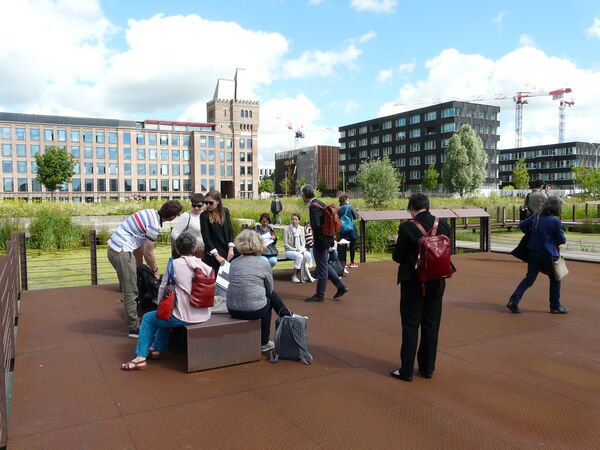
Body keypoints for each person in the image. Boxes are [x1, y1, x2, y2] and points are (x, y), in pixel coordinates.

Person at [120, 232, 213, 371]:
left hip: (184, 316)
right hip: (204, 314)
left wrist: (159, 303)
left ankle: (140, 358)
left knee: (149, 318)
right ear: (194, 248)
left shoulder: (174, 264)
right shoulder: (206, 266)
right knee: (162, 317)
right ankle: (156, 349)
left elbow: (163, 288)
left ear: (177, 248)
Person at [390, 193, 453, 382]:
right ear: (427, 205)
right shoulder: (443, 225)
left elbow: (398, 257)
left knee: (410, 326)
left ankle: (406, 371)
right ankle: (427, 368)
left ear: (412, 208)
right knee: (431, 325)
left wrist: (396, 243)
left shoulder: (407, 227)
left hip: (414, 282)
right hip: (437, 281)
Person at [108, 200, 183, 338]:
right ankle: (133, 329)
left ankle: (135, 319)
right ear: (172, 217)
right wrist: (155, 272)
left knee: (133, 286)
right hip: (121, 252)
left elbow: (137, 239)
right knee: (131, 291)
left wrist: (137, 265)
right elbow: (148, 253)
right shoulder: (154, 225)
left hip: (116, 248)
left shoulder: (149, 213)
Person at [226, 229, 292, 352]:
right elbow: (270, 289)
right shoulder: (263, 263)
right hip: (254, 311)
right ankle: (264, 340)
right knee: (269, 298)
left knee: (265, 297)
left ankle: (286, 314)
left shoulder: (234, 263)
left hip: (232, 309)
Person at [507, 196, 569, 314]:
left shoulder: (537, 217)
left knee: (529, 280)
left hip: (533, 252)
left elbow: (522, 225)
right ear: (556, 208)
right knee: (556, 279)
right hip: (548, 254)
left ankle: (513, 301)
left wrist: (531, 232)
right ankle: (555, 306)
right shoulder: (555, 221)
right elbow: (561, 240)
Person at [301, 184, 348, 302]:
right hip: (326, 239)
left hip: (321, 241)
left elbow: (316, 225)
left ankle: (320, 295)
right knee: (324, 264)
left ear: (304, 195)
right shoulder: (320, 203)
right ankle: (340, 286)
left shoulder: (313, 206)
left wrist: (317, 240)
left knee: (322, 267)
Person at [200, 190, 235, 274]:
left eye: (211, 203)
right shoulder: (204, 216)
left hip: (227, 251)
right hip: (213, 253)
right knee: (215, 279)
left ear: (218, 202)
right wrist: (217, 255)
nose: (208, 205)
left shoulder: (225, 211)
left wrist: (231, 248)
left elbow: (230, 230)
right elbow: (206, 237)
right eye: (206, 202)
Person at [283, 213, 314, 283]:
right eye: (293, 219)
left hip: (300, 249)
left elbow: (303, 242)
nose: (294, 221)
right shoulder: (286, 229)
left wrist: (301, 248)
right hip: (290, 250)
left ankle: (307, 273)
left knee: (308, 255)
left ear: (299, 221)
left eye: (296, 219)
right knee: (299, 256)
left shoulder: (302, 228)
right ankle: (294, 276)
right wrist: (295, 250)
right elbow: (285, 244)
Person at [337, 194, 359, 268]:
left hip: (343, 230)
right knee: (352, 247)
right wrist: (357, 212)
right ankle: (352, 263)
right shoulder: (350, 207)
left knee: (344, 248)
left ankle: (344, 263)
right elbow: (355, 217)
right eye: (348, 200)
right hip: (351, 230)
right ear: (346, 200)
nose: (349, 201)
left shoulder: (338, 209)